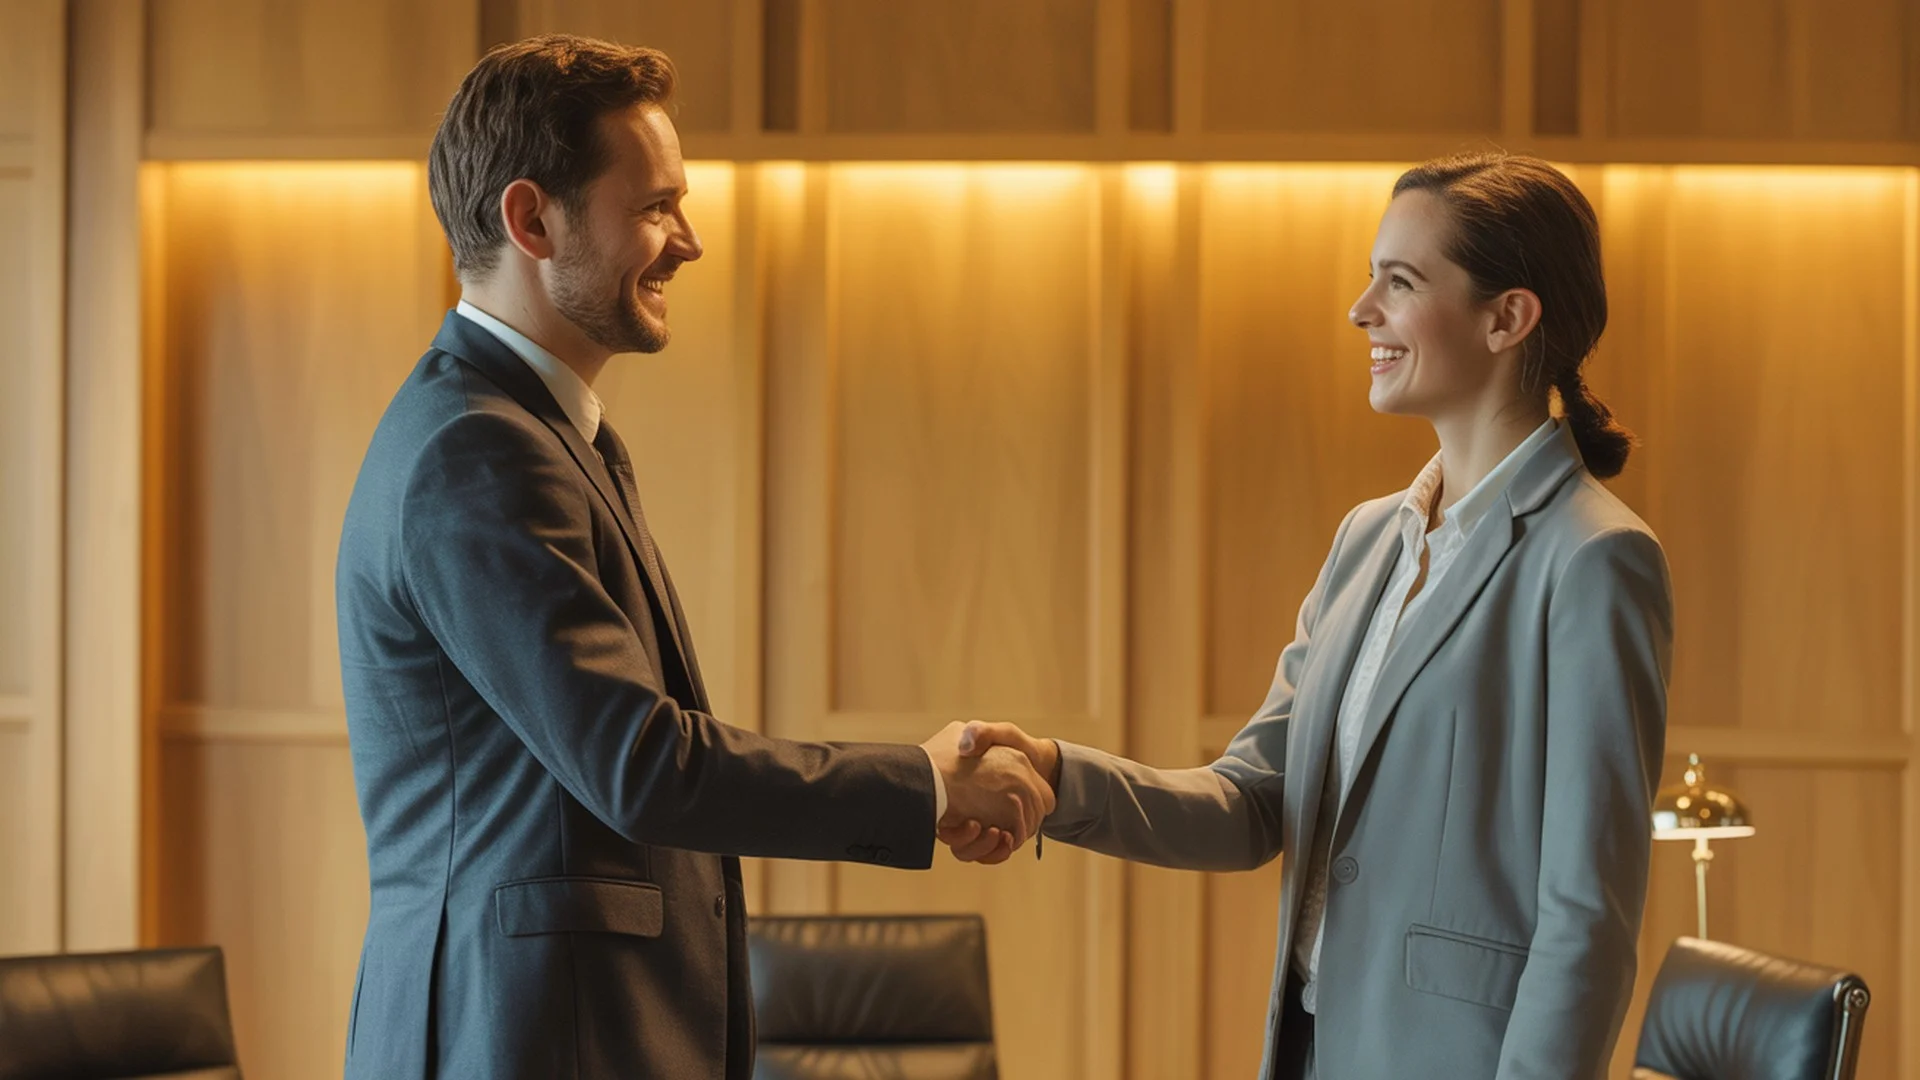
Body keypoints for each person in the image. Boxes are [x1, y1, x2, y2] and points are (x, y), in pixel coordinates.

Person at [334, 35, 1051, 1080]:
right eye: (656, 206)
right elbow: (641, 764)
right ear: (532, 219)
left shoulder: (546, 435)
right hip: (521, 1040)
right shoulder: (475, 450)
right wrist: (922, 786)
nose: (690, 242)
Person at [947, 154, 1673, 1080]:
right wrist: (1055, 774)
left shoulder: (1595, 558)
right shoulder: (1368, 540)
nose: (1360, 308)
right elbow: (1252, 801)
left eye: (1400, 281)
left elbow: (1587, 916)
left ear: (1508, 317)